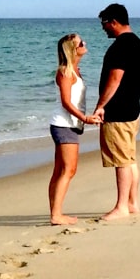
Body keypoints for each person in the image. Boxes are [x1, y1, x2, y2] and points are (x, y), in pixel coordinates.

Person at [92, 3, 140, 221]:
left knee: (122, 160)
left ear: (114, 21)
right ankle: (132, 203)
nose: (103, 28)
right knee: (129, 158)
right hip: (132, 109)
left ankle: (122, 206)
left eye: (104, 24)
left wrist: (100, 106)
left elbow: (115, 78)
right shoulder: (137, 43)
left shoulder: (121, 46)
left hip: (119, 111)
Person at [48, 33, 100, 225]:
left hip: (68, 125)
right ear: (72, 48)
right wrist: (84, 118)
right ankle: (56, 215)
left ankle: (55, 213)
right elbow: (66, 102)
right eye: (81, 43)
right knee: (68, 170)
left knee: (60, 170)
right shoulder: (65, 71)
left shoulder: (75, 70)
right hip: (64, 125)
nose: (85, 43)